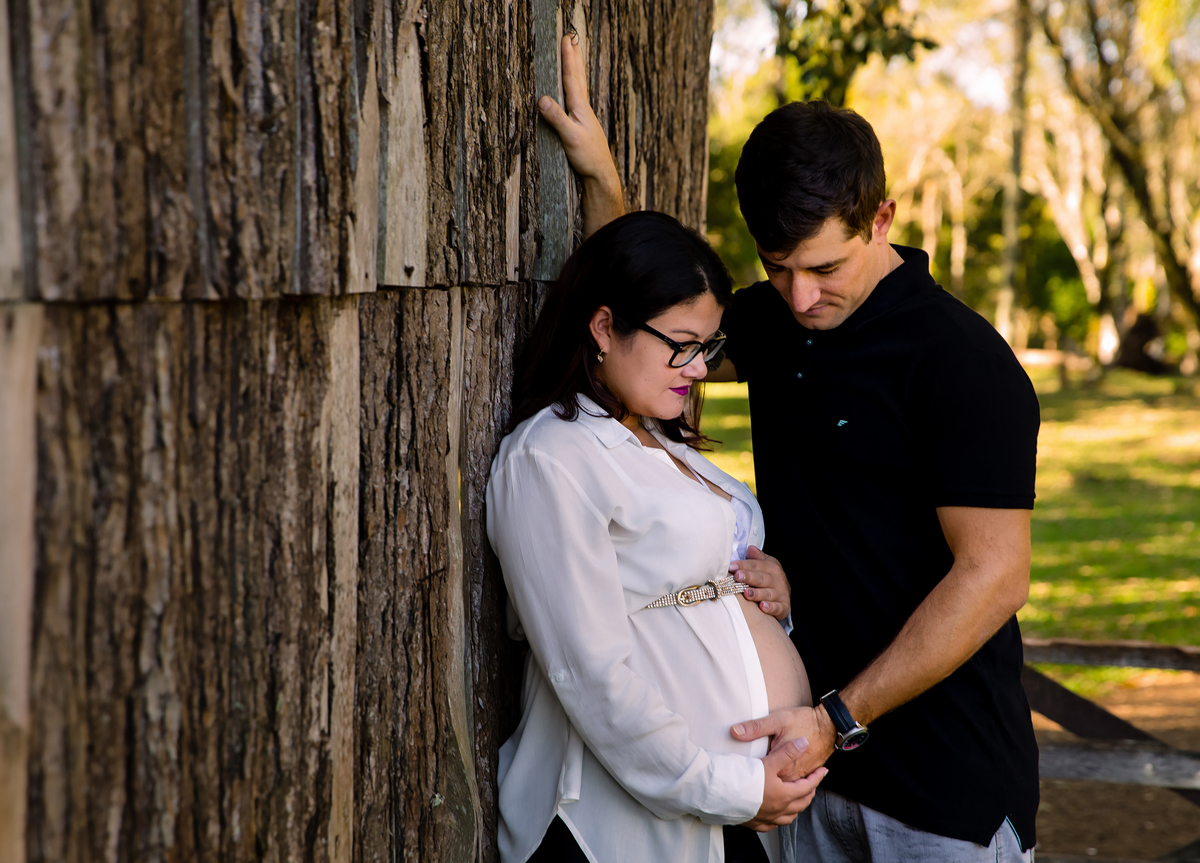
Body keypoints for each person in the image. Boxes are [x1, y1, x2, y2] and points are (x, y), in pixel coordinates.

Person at [540, 36, 1041, 863]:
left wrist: (838, 718)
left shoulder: (961, 361)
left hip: (941, 795)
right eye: (777, 269)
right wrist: (602, 181)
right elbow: (652, 328)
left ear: (881, 218)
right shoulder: (774, 324)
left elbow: (995, 575)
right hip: (804, 782)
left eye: (824, 267)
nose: (802, 296)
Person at [486, 210, 825, 863]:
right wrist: (734, 785)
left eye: (709, 346)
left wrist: (766, 590)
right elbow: (593, 676)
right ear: (604, 326)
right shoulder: (551, 459)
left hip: (727, 817)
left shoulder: (661, 437)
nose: (700, 369)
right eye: (682, 343)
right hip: (620, 827)